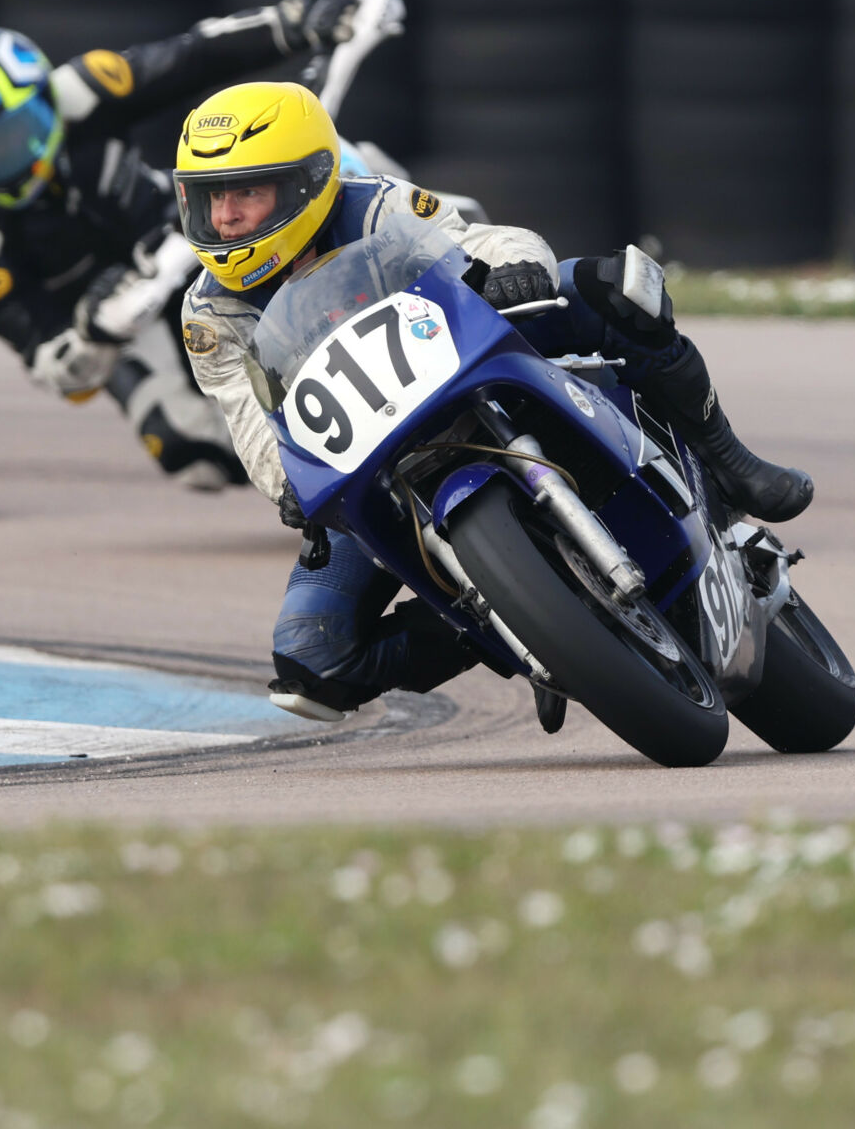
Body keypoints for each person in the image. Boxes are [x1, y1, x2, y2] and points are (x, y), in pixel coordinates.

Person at [175, 80, 814, 722]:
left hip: (462, 367)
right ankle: (516, 626)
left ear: (310, 183)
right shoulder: (207, 312)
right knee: (312, 661)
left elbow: (482, 239)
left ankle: (729, 461)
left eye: (247, 193)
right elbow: (249, 425)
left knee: (616, 285)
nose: (225, 218)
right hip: (367, 458)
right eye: (209, 199)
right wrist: (286, 486)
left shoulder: (374, 207)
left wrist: (518, 266)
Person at [0, 0, 375, 490]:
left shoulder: (85, 88)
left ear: (45, 98)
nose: (3, 159)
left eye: (12, 132)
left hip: (186, 230)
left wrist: (295, 22)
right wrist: (95, 332)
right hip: (126, 324)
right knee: (193, 455)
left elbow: (193, 56)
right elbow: (58, 373)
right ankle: (323, 486)